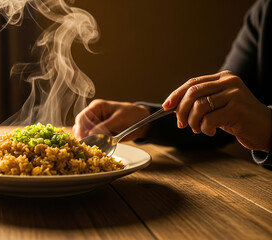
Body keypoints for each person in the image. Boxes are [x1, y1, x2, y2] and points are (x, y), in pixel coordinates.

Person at [73, 0, 272, 169]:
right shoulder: (265, 11)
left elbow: (252, 120)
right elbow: (220, 117)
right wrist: (145, 118)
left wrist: (268, 130)